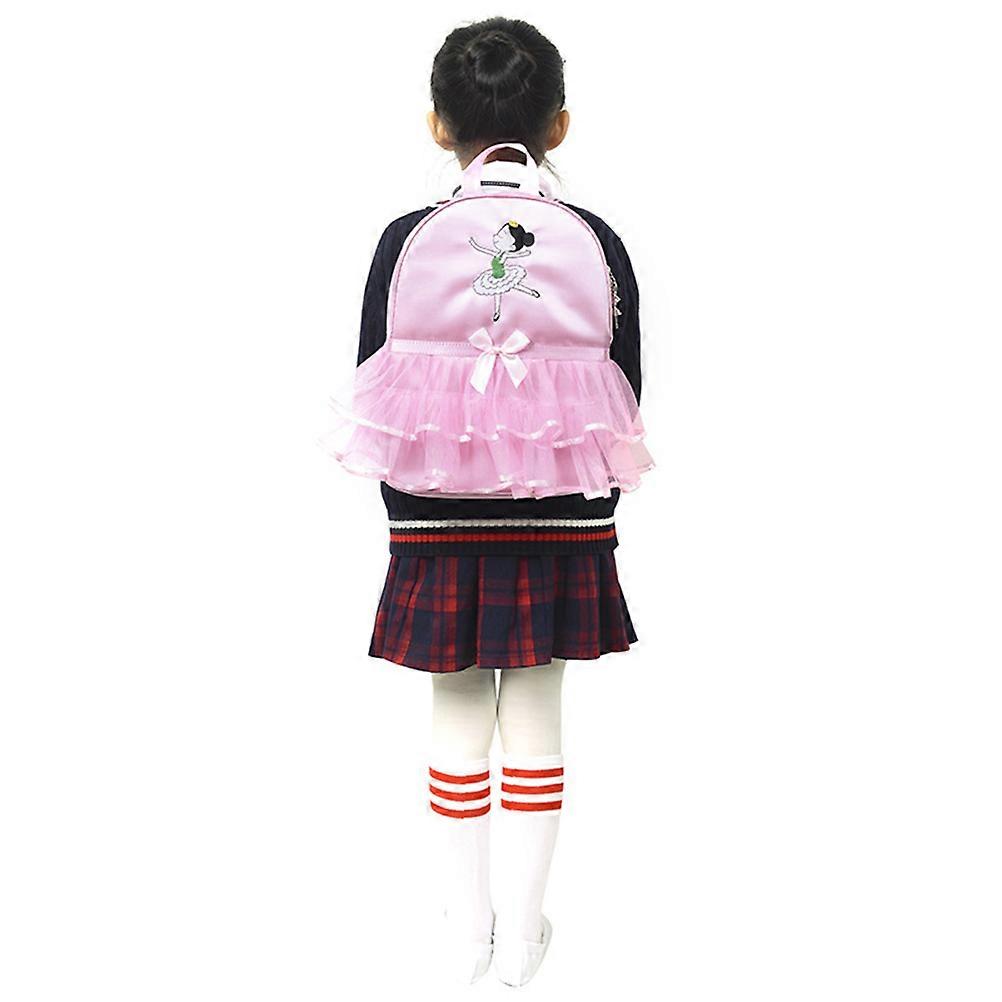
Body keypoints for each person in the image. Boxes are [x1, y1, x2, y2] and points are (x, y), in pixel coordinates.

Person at [320, 17, 652, 987]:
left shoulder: (405, 238)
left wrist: (415, 497)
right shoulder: (595, 239)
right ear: (559, 125)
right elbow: (627, 387)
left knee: (456, 707)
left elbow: (374, 381)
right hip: (561, 511)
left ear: (438, 124)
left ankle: (469, 931)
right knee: (538, 705)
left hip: (435, 510)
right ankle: (523, 936)